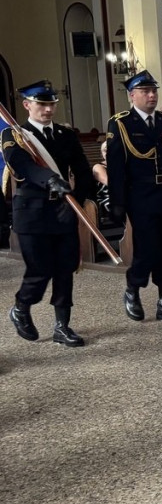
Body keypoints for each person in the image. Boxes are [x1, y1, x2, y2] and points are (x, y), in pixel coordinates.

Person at [2, 80, 94, 346]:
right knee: (40, 268)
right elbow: (20, 164)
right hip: (32, 212)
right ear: (27, 105)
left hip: (63, 209)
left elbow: (82, 169)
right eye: (42, 104)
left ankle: (62, 326)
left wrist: (78, 201)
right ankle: (21, 307)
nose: (48, 109)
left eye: (51, 104)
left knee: (65, 268)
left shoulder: (66, 135)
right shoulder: (15, 135)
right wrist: (48, 179)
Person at [105, 70, 162, 323]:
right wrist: (117, 201)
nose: (152, 95)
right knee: (148, 247)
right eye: (145, 91)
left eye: (153, 91)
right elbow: (116, 166)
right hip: (139, 195)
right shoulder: (121, 124)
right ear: (132, 96)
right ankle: (133, 288)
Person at [92, 139, 111, 214]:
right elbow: (111, 183)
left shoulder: (123, 165)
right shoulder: (98, 167)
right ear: (102, 153)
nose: (107, 153)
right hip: (107, 198)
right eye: (104, 150)